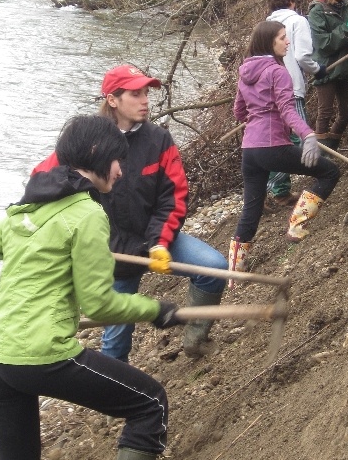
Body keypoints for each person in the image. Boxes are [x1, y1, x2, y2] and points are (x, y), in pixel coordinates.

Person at [0, 115, 184, 460]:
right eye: (117, 163)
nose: (122, 171)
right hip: (44, 355)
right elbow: (99, 303)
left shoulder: (21, 211)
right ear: (98, 162)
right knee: (150, 404)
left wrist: (1, 309)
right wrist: (156, 310)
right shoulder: (86, 213)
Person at [32, 65, 228, 361]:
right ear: (112, 100)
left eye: (146, 93)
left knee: (213, 268)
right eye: (135, 94)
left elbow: (173, 196)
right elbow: (41, 181)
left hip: (156, 240)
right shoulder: (85, 140)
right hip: (111, 254)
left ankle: (195, 339)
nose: (145, 100)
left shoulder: (159, 140)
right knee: (116, 341)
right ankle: (117, 399)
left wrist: (159, 242)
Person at [228, 20, 341, 274]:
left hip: (250, 151)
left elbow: (238, 112)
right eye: (282, 37)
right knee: (330, 172)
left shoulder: (244, 72)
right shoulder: (277, 72)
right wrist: (308, 134)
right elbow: (287, 110)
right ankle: (297, 225)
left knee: (251, 208)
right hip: (273, 147)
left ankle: (234, 269)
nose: (287, 41)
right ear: (270, 42)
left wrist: (258, 112)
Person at [264, 0, 324, 211]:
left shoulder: (265, 25)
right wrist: (319, 70)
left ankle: (281, 192)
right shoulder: (298, 21)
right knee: (299, 138)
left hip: (268, 91)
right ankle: (265, 186)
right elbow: (302, 56)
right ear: (292, 1)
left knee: (278, 139)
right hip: (290, 89)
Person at [308, 0, 348, 150]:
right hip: (326, 67)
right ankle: (320, 155)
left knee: (347, 113)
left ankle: (331, 146)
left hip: (344, 66)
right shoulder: (316, 12)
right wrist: (347, 30)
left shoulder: (345, 7)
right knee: (325, 112)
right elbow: (323, 43)